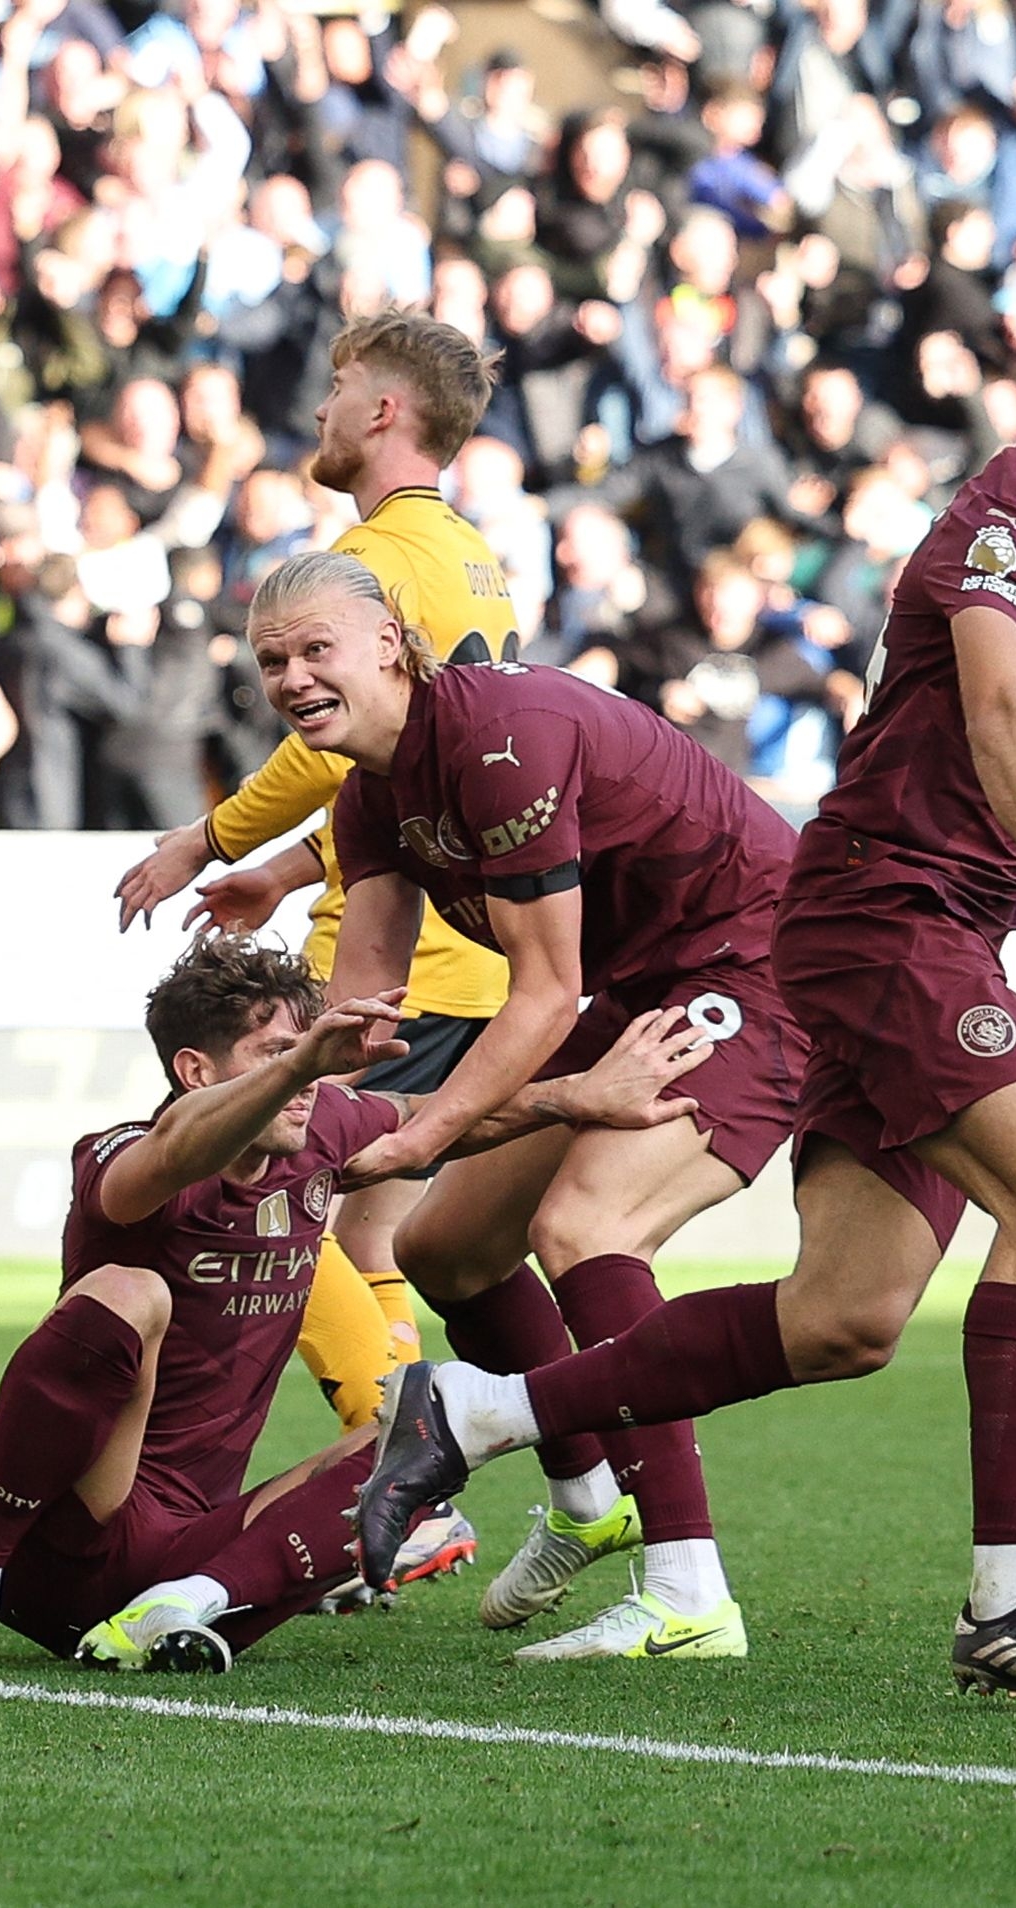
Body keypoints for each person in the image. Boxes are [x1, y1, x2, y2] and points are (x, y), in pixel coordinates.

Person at [354, 253, 1016, 1708]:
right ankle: (1008, 1604)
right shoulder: (1002, 528)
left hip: (941, 924)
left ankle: (477, 1410)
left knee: (846, 1319)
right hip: (881, 914)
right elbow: (1008, 717)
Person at [0, 935, 715, 1678]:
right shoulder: (127, 1153)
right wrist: (301, 1063)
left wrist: (575, 1097)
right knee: (128, 1293)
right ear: (195, 1072)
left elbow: (430, 1118)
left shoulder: (316, 1132)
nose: (308, 1076)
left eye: (308, 1049)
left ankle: (189, 1606)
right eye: (275, 1053)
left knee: (431, 1422)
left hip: (185, 1550)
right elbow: (169, 1153)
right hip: (60, 1541)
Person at [248, 547, 801, 1660]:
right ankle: (593, 1503)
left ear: (394, 645)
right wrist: (277, 1118)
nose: (294, 677)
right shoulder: (370, 800)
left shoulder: (502, 740)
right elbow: (364, 1013)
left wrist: (427, 1133)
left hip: (768, 958)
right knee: (450, 1248)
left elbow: (543, 996)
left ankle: (692, 1592)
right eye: (272, 661)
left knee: (584, 1225)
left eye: (318, 648)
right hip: (651, 981)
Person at [112, 311, 521, 1450]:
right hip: (458, 941)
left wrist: (209, 839)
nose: (321, 409)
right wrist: (291, 868)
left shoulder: (378, 565)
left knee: (260, 1193)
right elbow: (409, 767)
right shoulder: (470, 557)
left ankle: (403, 1462)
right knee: (368, 1239)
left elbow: (330, 744)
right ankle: (543, 1483)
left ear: (385, 409)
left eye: (340, 386)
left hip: (401, 952)